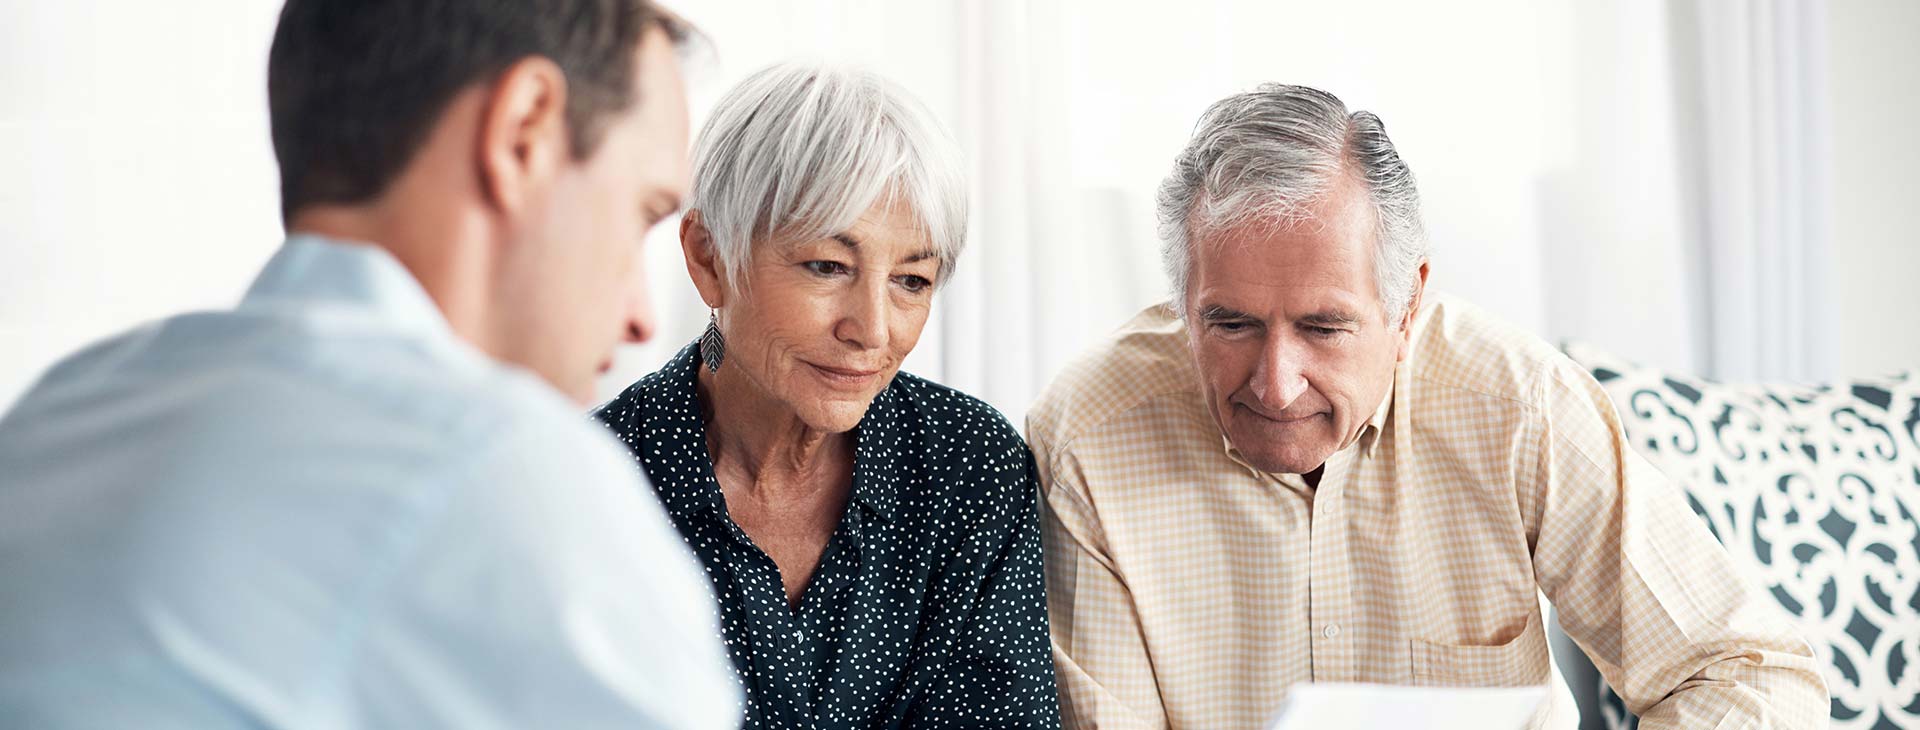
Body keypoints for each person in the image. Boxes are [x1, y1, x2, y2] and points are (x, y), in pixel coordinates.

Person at [0, 1, 738, 726]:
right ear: (523, 133)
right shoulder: (506, 467)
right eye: (642, 214)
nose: (642, 317)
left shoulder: (54, 421)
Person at [1028, 83, 1827, 729]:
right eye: (1229, 323)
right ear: (1182, 301)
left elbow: (1747, 674)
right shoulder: (1089, 440)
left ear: (1406, 307)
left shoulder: (1517, 404)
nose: (1275, 383)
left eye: (1324, 327)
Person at [592, 63, 1060, 729]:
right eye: (827, 267)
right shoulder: (589, 479)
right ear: (709, 257)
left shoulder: (968, 466)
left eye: (912, 280)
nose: (871, 330)